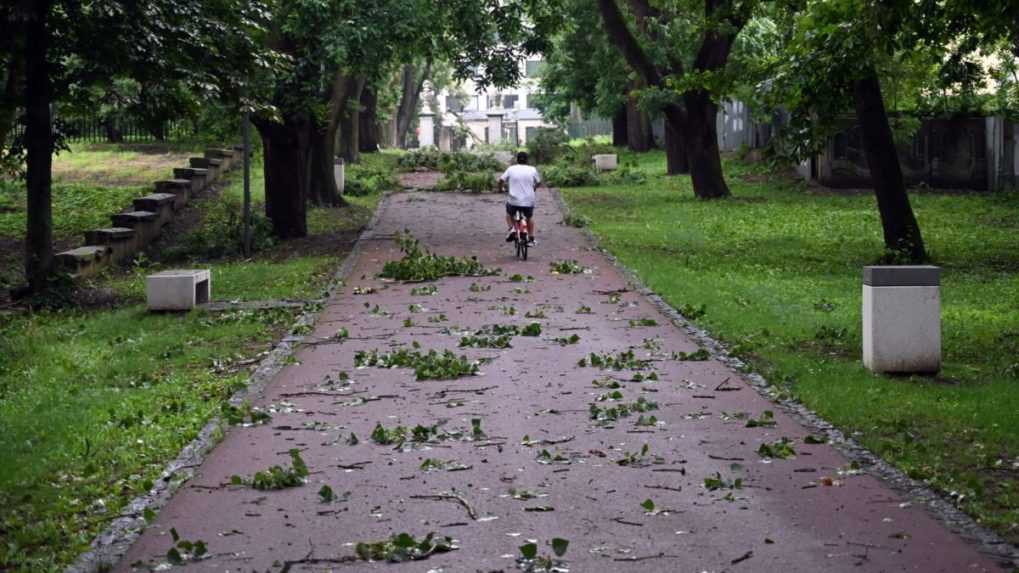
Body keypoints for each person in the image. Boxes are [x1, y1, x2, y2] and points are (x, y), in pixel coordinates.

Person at [498, 151, 542, 246]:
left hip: (514, 200)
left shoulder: (511, 169)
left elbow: (501, 180)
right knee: (529, 217)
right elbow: (539, 182)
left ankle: (512, 229)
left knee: (509, 214)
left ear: (517, 160)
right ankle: (531, 238)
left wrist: (501, 189)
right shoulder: (532, 169)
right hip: (528, 200)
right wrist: (534, 187)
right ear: (527, 160)